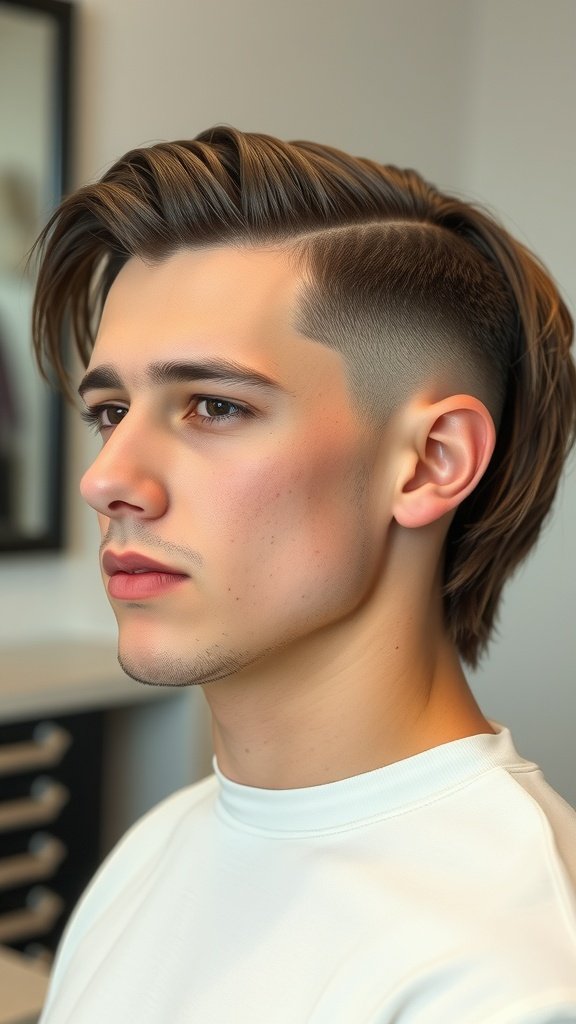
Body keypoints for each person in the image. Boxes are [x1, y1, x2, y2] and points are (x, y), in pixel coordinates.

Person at [32, 127, 576, 1022]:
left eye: (214, 406)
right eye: (112, 411)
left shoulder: (503, 976)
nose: (106, 480)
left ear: (430, 463)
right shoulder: (154, 849)